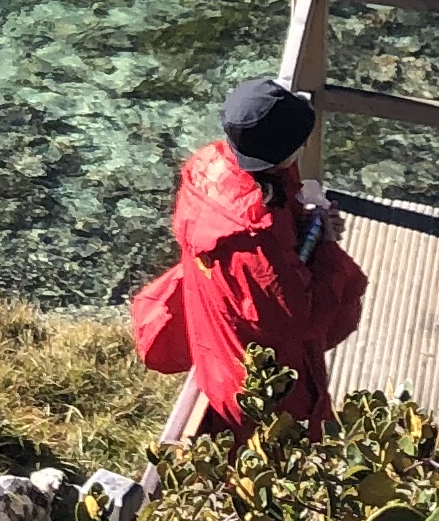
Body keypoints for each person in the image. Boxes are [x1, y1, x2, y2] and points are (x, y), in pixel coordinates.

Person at [130, 76, 369, 431]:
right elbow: (301, 318)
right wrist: (328, 247)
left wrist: (304, 224)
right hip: (256, 387)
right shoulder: (254, 244)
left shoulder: (207, 166)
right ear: (282, 156)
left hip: (215, 347)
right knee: (274, 459)